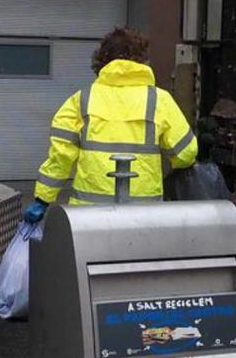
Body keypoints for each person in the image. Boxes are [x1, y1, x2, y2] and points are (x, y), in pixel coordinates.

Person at [27, 26, 197, 222]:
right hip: (145, 216)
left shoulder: (81, 101)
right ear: (141, 59)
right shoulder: (159, 100)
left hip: (88, 218)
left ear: (101, 60)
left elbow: (60, 158)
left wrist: (42, 199)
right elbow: (186, 153)